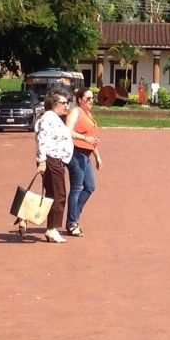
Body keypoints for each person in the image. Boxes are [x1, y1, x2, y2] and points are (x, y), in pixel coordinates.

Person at [33, 89, 73, 243]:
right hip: (51, 159)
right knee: (58, 194)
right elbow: (42, 140)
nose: (66, 106)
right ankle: (51, 228)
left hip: (55, 159)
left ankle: (50, 227)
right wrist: (42, 161)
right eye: (63, 103)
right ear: (54, 103)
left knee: (53, 194)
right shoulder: (48, 118)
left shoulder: (55, 118)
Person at [64, 87, 102, 236]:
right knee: (76, 188)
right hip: (76, 153)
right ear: (80, 100)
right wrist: (84, 138)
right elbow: (67, 130)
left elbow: (92, 137)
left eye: (92, 98)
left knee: (90, 186)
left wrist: (97, 155)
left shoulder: (88, 114)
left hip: (86, 154)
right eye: (88, 98)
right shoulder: (76, 112)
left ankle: (74, 215)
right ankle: (72, 223)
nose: (91, 101)